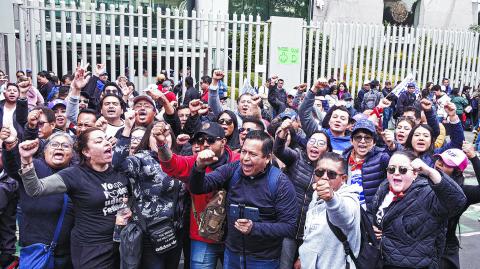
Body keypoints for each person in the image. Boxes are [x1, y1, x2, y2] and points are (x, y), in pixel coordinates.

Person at [18, 127, 130, 268]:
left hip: (121, 245)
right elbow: (35, 189)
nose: (107, 143)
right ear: (86, 152)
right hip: (91, 250)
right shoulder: (74, 175)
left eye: (106, 140)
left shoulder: (119, 171)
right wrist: (26, 159)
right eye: (99, 141)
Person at [189, 130, 298, 268]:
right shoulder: (233, 170)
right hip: (232, 254)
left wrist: (255, 228)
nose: (245, 158)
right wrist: (199, 167)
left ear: (267, 157)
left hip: (264, 260)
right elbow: (199, 187)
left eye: (253, 154)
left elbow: (289, 227)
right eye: (244, 151)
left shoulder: (280, 183)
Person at [157, 122, 240, 269]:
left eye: (211, 140)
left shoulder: (238, 161)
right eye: (200, 141)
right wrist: (162, 144)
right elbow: (171, 163)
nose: (205, 144)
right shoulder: (194, 161)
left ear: (223, 142)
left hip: (235, 235)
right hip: (203, 236)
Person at [369, 150, 466, 269]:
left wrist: (430, 172)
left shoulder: (427, 193)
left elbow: (457, 201)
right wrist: (371, 228)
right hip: (380, 261)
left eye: (403, 170)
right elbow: (374, 215)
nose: (396, 173)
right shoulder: (384, 187)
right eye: (391, 169)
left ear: (415, 173)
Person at [113, 112, 185, 269]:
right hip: (150, 232)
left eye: (166, 135)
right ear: (148, 139)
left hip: (175, 231)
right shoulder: (141, 159)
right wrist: (127, 129)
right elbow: (117, 164)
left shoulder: (179, 161)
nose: (161, 138)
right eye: (156, 135)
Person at [3, 132, 75, 268]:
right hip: (36, 252)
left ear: (72, 153)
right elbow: (13, 165)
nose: (59, 148)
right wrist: (11, 145)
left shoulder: (76, 174)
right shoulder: (33, 166)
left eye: (65, 146)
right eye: (54, 144)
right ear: (45, 151)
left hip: (67, 254)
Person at [274, 119, 332, 269]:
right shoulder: (297, 157)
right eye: (312, 141)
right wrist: (283, 132)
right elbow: (278, 150)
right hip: (289, 228)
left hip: (313, 233)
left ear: (327, 149)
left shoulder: (329, 171)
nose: (315, 145)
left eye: (321, 143)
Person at [298, 152, 361, 269]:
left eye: (331, 174)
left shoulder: (350, 198)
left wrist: (331, 199)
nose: (324, 177)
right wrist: (302, 257)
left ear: (343, 179)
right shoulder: (316, 195)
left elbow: (345, 217)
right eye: (319, 172)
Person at [434, 144, 480, 269]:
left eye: (446, 163)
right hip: (421, 244)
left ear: (457, 170)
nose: (439, 164)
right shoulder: (424, 180)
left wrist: (474, 158)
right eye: (439, 159)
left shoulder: (463, 192)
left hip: (446, 248)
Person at [342, 119, 391, 208]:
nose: (363, 141)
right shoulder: (343, 159)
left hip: (371, 215)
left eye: (367, 138)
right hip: (348, 211)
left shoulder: (383, 158)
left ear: (374, 142)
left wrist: (393, 146)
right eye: (358, 137)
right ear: (351, 140)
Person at [299, 78, 351, 154]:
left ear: (348, 125)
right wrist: (315, 88)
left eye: (342, 118)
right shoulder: (318, 133)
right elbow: (304, 113)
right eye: (335, 117)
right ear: (329, 121)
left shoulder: (353, 143)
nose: (338, 120)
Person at [405, 102, 464, 167]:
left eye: (426, 136)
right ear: (410, 138)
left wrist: (453, 116)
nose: (421, 138)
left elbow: (457, 143)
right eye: (417, 135)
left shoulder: (436, 155)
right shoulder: (399, 152)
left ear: (432, 140)